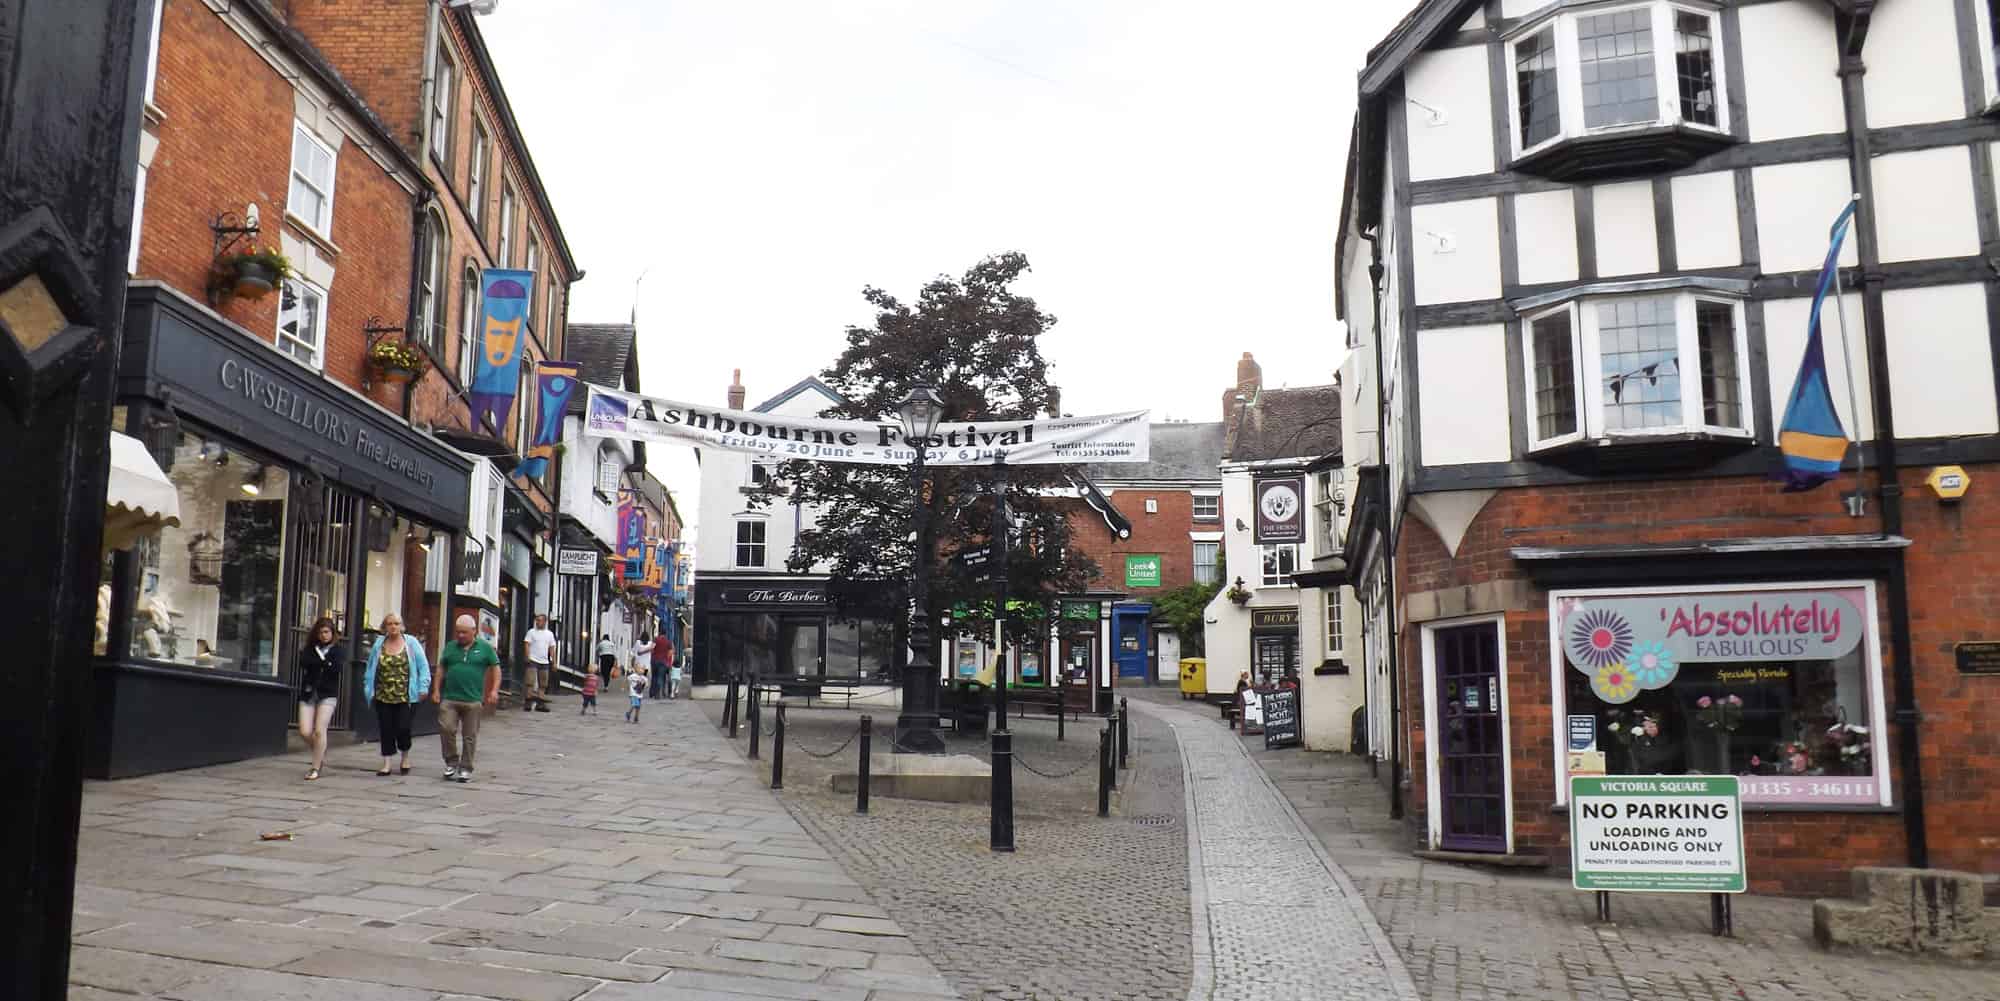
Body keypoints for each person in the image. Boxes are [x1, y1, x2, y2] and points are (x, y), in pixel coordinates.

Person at [432, 614, 501, 783]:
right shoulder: (450, 647)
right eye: (458, 632)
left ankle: (466, 768)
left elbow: (496, 669)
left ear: (474, 631)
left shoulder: (485, 649)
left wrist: (494, 690)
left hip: (473, 699)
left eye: (464, 632)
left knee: (470, 735)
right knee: (446, 728)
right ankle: (451, 762)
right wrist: (436, 690)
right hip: (450, 698)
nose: (460, 636)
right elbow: (441, 668)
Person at [363, 613, 430, 777]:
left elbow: (423, 666)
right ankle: (386, 763)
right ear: (385, 627)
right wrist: (368, 688)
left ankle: (405, 756)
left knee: (403, 728)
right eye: (390, 624)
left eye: (397, 623)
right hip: (383, 694)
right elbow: (371, 667)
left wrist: (423, 687)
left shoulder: (411, 643)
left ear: (402, 626)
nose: (393, 627)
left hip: (406, 696)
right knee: (386, 728)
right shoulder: (379, 644)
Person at [295, 617, 343, 781]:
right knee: (304, 731)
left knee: (319, 730)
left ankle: (315, 767)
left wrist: (321, 663)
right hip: (309, 693)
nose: (323, 635)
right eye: (321, 632)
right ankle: (319, 752)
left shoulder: (337, 650)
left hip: (327, 694)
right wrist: (323, 663)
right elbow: (304, 662)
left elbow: (336, 668)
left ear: (332, 633)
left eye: (327, 632)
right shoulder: (310, 648)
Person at [521, 613, 556, 712]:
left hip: (544, 660)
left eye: (540, 620)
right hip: (533, 659)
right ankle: (528, 702)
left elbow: (552, 648)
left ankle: (540, 703)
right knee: (530, 681)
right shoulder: (531, 632)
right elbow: (527, 644)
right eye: (537, 620)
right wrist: (527, 656)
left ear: (545, 622)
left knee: (543, 683)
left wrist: (553, 661)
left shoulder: (549, 634)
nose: (538, 622)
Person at [650, 633, 674, 698]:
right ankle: (658, 694)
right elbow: (671, 652)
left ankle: (653, 693)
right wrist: (666, 658)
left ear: (659, 634)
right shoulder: (668, 641)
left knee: (654, 677)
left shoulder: (656, 640)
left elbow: (652, 649)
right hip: (663, 662)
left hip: (655, 661)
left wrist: (653, 655)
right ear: (665, 634)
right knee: (660, 677)